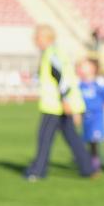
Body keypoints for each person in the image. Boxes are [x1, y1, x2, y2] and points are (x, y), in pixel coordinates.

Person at [24, 24, 94, 181]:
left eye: (37, 38)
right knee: (71, 137)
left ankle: (38, 171)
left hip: (55, 106)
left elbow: (61, 79)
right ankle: (88, 167)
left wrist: (65, 100)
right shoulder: (55, 53)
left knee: (44, 137)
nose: (35, 41)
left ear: (46, 38)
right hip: (59, 104)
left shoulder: (52, 54)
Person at [76, 56, 104, 172]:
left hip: (97, 116)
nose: (82, 68)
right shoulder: (79, 83)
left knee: (94, 140)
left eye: (85, 65)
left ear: (93, 68)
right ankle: (88, 161)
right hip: (85, 116)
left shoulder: (99, 82)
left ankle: (95, 164)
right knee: (86, 140)